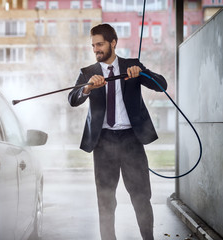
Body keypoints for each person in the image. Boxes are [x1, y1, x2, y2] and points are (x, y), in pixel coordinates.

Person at [68, 23, 167, 240]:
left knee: (141, 196)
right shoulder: (88, 72)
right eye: (93, 45)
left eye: (100, 44)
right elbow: (72, 100)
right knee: (105, 201)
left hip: (132, 140)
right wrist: (87, 88)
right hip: (103, 143)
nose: (96, 50)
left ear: (113, 43)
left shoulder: (132, 65)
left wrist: (143, 73)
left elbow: (162, 86)